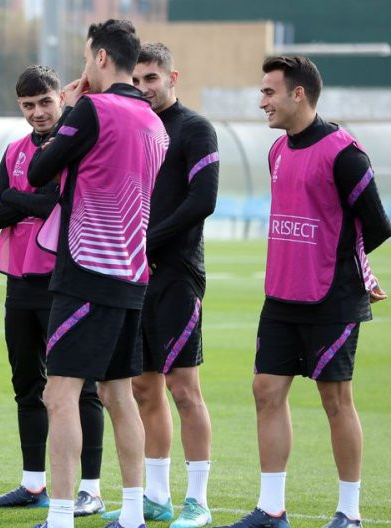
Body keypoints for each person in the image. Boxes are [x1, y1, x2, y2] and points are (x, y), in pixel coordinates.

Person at [218, 56, 390, 528]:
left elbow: (376, 225)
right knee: (265, 390)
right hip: (280, 296)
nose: (261, 102)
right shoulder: (277, 152)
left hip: (332, 297)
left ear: (298, 94)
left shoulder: (344, 154)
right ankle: (272, 509)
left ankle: (349, 513)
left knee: (336, 401)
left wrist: (333, 263)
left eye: (269, 92)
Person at [26, 19, 168, 528]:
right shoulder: (154, 120)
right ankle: (132, 514)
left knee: (59, 394)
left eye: (87, 58)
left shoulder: (92, 109)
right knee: (118, 393)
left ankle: (61, 515)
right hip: (133, 275)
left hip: (88, 271)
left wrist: (65, 112)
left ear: (102, 58)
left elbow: (38, 171)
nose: (84, 67)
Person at [101, 43, 219, 528]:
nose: (145, 88)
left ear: (174, 77)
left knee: (183, 388)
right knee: (143, 390)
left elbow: (202, 201)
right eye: (139, 79)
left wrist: (145, 239)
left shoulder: (195, 129)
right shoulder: (131, 125)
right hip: (133, 275)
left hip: (177, 274)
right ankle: (156, 497)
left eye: (153, 78)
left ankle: (199, 501)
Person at [0, 64, 105, 516]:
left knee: (81, 388)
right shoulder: (14, 150)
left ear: (60, 100)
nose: (37, 112)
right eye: (28, 105)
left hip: (65, 283)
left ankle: (90, 489)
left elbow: (60, 203)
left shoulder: (76, 148)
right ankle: (33, 484)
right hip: (19, 283)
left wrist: (17, 198)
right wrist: (28, 199)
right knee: (26, 385)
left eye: (45, 103)